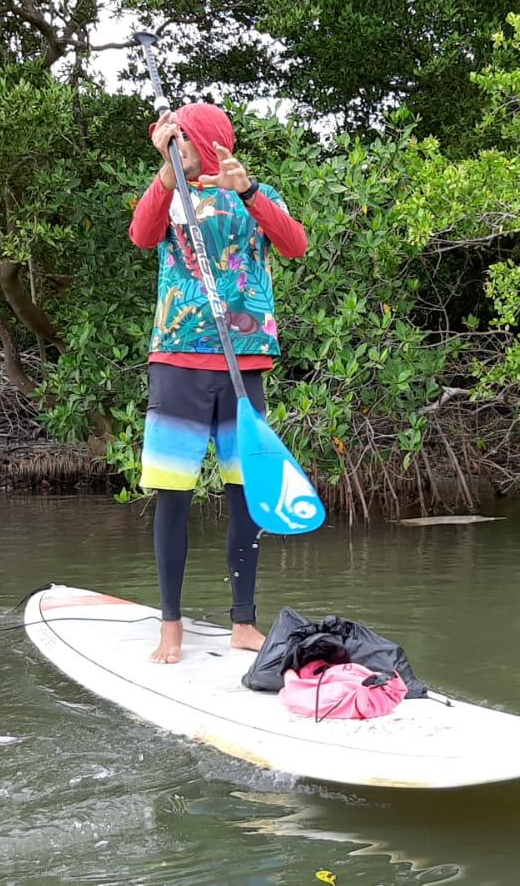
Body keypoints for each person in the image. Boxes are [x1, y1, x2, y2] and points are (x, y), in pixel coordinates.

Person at [127, 102, 309, 664]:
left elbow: (295, 245)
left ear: (209, 140)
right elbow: (140, 235)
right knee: (173, 498)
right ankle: (172, 625)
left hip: (243, 363)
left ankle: (243, 622)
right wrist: (166, 168)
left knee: (245, 496)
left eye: (186, 138)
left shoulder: (258, 193)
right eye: (172, 138)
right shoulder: (170, 193)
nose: (180, 145)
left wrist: (249, 192)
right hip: (178, 361)